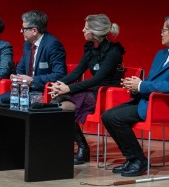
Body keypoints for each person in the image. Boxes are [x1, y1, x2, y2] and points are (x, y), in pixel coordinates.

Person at [102, 15, 169, 177]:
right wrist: (135, 86)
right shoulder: (161, 54)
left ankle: (138, 160)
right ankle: (132, 159)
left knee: (116, 118)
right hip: (147, 100)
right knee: (107, 116)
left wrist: (142, 85)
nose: (161, 34)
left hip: (165, 105)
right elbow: (150, 81)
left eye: (163, 30)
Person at [49, 14, 125, 165]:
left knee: (63, 106)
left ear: (94, 31)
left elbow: (98, 79)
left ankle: (83, 148)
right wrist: (58, 84)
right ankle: (77, 146)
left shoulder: (113, 51)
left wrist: (68, 88)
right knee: (56, 103)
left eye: (86, 28)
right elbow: (78, 72)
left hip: (107, 93)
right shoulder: (90, 48)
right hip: (94, 90)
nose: (82, 30)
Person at [0, 10, 66, 105]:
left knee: (24, 105)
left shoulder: (52, 44)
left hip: (42, 91)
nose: (21, 31)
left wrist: (32, 80)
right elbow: (20, 69)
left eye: (23, 29)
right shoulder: (27, 45)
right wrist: (16, 77)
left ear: (34, 30)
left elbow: (59, 75)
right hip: (25, 90)